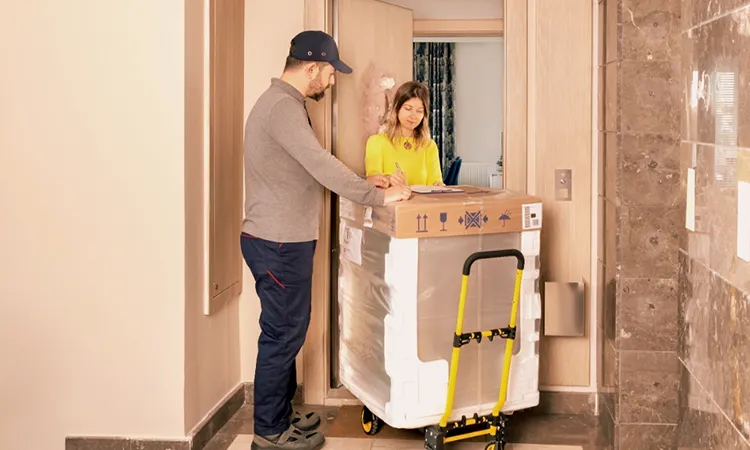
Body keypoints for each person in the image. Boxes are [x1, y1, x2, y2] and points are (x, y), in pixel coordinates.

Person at [241, 30, 411, 450]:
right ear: (313, 67)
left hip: (282, 240)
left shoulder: (285, 104)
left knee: (288, 330)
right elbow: (319, 163)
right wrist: (377, 196)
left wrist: (366, 179)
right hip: (278, 242)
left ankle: (281, 414)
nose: (332, 81)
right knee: (283, 334)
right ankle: (269, 432)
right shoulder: (282, 108)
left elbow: (306, 167)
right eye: (331, 73)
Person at [364, 81, 444, 188]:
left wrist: (439, 186)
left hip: (422, 199)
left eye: (419, 111)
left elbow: (435, 182)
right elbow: (373, 182)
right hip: (392, 198)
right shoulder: (376, 142)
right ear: (397, 109)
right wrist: (389, 180)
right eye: (408, 109)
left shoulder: (429, 146)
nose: (413, 116)